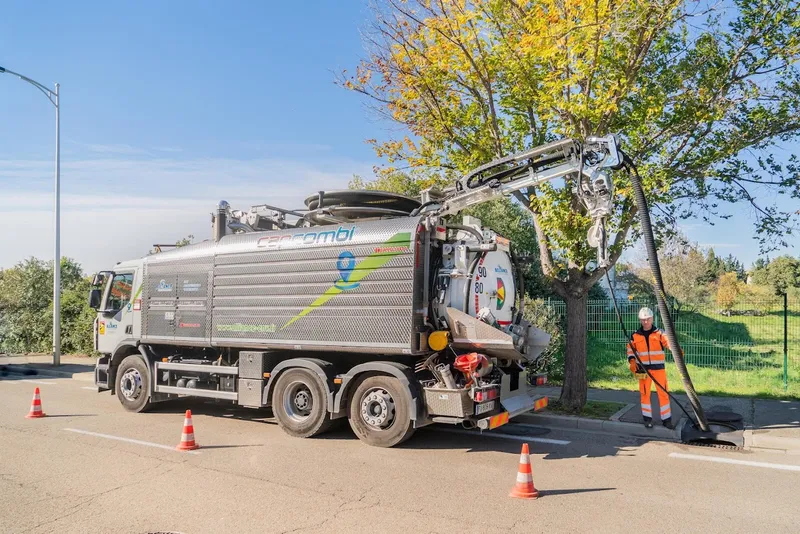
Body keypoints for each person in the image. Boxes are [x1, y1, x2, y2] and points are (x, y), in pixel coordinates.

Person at [626, 307, 673, 429]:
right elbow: (630, 349)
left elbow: (668, 342)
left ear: (652, 318)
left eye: (647, 319)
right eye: (642, 320)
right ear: (640, 320)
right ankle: (647, 419)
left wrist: (676, 350)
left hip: (658, 369)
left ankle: (666, 420)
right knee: (645, 394)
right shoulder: (635, 335)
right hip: (643, 370)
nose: (645, 322)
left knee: (663, 393)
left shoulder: (660, 333)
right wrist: (631, 360)